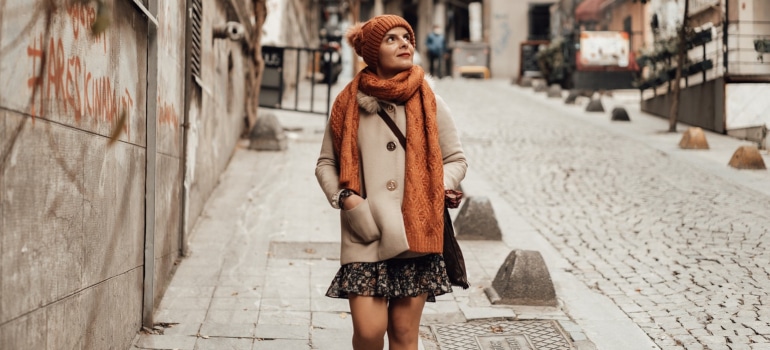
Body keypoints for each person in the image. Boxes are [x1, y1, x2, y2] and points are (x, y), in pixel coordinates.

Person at [315, 14, 467, 350]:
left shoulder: (430, 102)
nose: (404, 44)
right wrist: (346, 199)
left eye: (407, 38)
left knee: (402, 334)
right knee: (369, 334)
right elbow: (326, 162)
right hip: (365, 230)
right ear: (372, 51)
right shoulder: (346, 103)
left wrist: (438, 185)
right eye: (392, 39)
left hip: (416, 230)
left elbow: (455, 159)